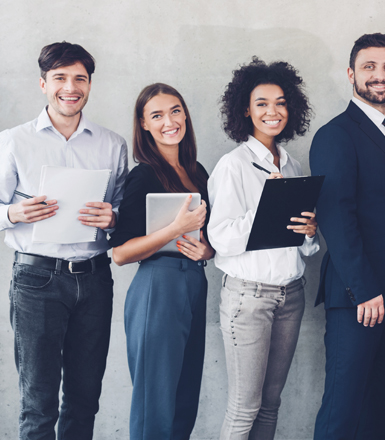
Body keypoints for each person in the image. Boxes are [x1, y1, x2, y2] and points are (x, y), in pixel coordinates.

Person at [0, 42, 128, 439]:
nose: (70, 87)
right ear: (43, 84)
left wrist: (114, 218)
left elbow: (125, 214)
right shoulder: (13, 141)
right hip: (36, 282)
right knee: (38, 401)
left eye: (80, 78)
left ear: (90, 86)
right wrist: (14, 213)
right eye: (60, 78)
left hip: (95, 280)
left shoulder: (112, 145)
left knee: (84, 398)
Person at [309, 33, 385, 440]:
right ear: (351, 74)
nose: (379, 75)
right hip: (359, 298)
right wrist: (364, 288)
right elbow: (336, 216)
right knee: (342, 413)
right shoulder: (336, 135)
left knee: (377, 413)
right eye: (369, 67)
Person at [207, 57, 318, 440]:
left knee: (271, 404)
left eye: (281, 102)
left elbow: (305, 248)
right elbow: (219, 238)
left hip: (292, 295)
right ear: (245, 110)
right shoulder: (233, 166)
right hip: (248, 299)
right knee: (244, 408)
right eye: (262, 103)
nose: (273, 111)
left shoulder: (293, 166)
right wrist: (266, 207)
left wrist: (309, 231)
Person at [109, 83, 214, 439]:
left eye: (175, 111)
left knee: (185, 398)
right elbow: (120, 253)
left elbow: (212, 238)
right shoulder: (143, 175)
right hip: (158, 286)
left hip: (194, 282)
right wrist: (174, 229)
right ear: (144, 124)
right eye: (157, 115)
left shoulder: (197, 171)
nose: (169, 121)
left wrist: (207, 251)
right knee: (154, 402)